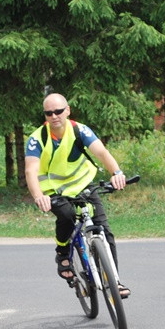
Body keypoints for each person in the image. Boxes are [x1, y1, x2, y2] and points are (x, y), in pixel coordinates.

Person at [24, 93, 130, 298]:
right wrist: (39, 196)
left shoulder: (79, 130)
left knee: (105, 232)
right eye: (49, 113)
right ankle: (62, 252)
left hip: (82, 185)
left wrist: (116, 173)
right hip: (52, 190)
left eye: (58, 111)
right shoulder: (37, 139)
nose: (54, 116)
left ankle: (114, 281)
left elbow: (101, 153)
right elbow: (30, 171)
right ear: (45, 115)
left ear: (68, 110)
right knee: (66, 216)